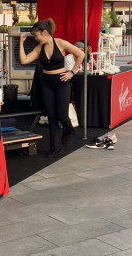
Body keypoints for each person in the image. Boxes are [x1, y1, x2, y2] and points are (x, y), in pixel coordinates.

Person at [19, 19, 84, 157]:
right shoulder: (39, 48)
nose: (36, 39)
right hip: (47, 84)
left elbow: (81, 54)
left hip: (61, 83)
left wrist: (72, 72)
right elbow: (24, 60)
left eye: (36, 35)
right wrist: (21, 43)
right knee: (52, 117)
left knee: (62, 115)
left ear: (44, 32)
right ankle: (55, 149)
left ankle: (69, 133)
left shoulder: (60, 43)